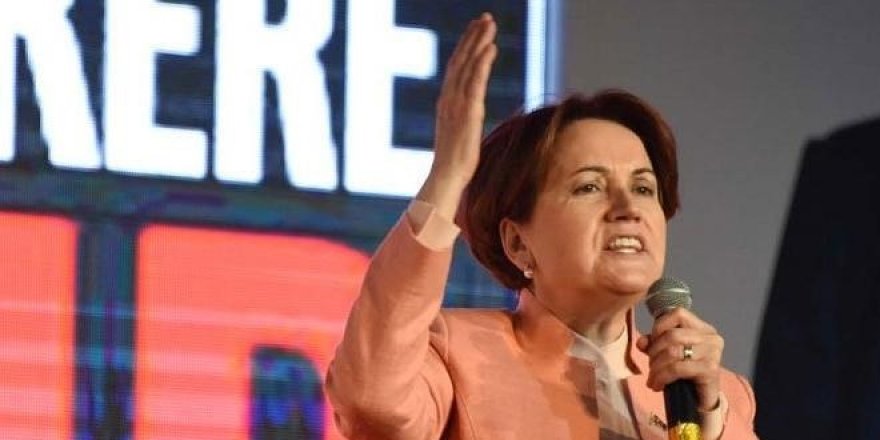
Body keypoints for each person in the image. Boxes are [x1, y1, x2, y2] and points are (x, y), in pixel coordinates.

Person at [325, 13, 758, 440]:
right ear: (517, 243)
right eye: (589, 187)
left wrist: (709, 419)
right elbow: (370, 401)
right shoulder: (455, 355)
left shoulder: (717, 395)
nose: (628, 209)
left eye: (644, 188)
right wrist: (447, 178)